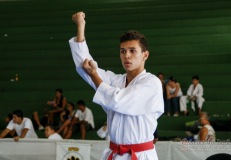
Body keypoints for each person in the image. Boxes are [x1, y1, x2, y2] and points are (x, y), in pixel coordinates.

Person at [69, 12, 164, 160]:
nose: (126, 55)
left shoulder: (152, 83)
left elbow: (118, 100)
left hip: (140, 155)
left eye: (133, 51)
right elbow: (85, 67)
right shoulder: (115, 81)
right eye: (123, 51)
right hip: (114, 153)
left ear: (145, 55)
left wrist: (94, 75)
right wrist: (81, 27)